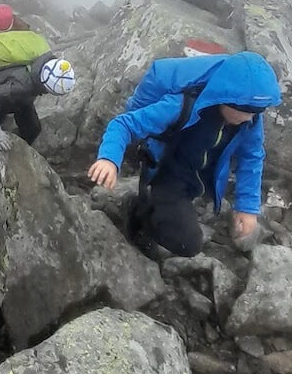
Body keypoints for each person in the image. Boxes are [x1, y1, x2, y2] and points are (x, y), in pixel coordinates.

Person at [88, 50, 281, 258]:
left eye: (257, 112)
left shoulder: (249, 120)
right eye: (245, 110)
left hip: (197, 178)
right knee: (188, 245)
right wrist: (109, 159)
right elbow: (124, 124)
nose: (250, 117)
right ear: (224, 97)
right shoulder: (181, 106)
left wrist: (247, 207)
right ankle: (139, 210)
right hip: (166, 175)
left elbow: (252, 157)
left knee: (185, 224)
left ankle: (158, 208)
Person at [0, 24, 75, 147]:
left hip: (18, 95)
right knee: (6, 114)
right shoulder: (22, 86)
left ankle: (20, 148)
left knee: (33, 128)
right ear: (47, 87)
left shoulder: (42, 64)